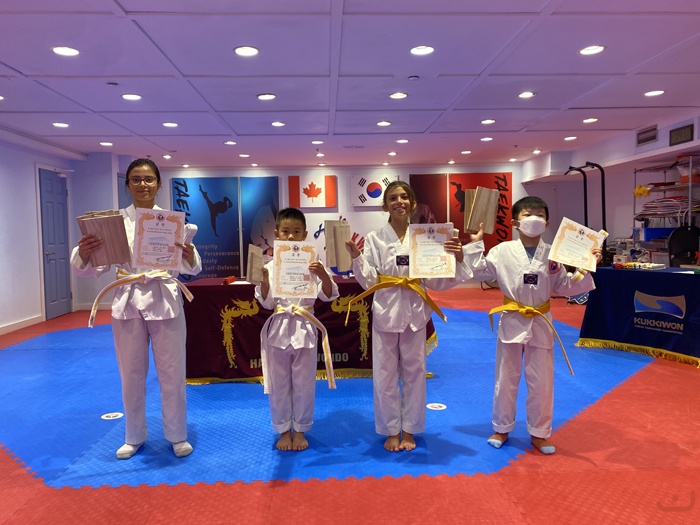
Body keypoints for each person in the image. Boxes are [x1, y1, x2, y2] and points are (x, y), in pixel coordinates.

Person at [71, 158, 202, 460]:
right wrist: (85, 252)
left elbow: (193, 268)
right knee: (130, 373)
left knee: (172, 372)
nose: (143, 184)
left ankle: (177, 434)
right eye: (136, 179)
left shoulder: (172, 222)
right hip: (127, 300)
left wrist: (189, 255)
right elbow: (90, 268)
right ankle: (134, 435)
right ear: (127, 185)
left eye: (148, 179)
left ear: (158, 184)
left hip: (165, 298)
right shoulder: (114, 222)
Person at [462, 196, 602, 455]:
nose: (534, 219)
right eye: (527, 214)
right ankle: (502, 427)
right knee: (506, 378)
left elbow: (565, 286)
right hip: (512, 318)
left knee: (542, 380)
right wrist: (474, 244)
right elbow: (479, 271)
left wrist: (586, 266)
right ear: (514, 222)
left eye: (539, 215)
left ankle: (539, 432)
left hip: (541, 319)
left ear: (547, 223)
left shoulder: (554, 254)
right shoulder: (502, 251)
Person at [345, 180, 474, 452]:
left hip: (415, 310)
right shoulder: (375, 239)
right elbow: (369, 281)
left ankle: (411, 429)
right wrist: (357, 258)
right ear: (385, 206)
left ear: (413, 203)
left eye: (404, 197)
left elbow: (435, 280)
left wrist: (457, 258)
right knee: (384, 374)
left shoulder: (426, 237)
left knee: (415, 373)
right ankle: (391, 430)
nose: (399, 202)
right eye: (393, 198)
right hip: (386, 310)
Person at [254, 207, 339, 451]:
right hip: (279, 327)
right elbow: (266, 302)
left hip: (305, 327)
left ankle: (300, 429)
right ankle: (283, 429)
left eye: (296, 231)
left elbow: (329, 294)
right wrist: (264, 281)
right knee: (279, 384)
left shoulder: (314, 263)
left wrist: (323, 275)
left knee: (304, 383)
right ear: (276, 234)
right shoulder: (270, 266)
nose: (291, 236)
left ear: (305, 235)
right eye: (285, 231)